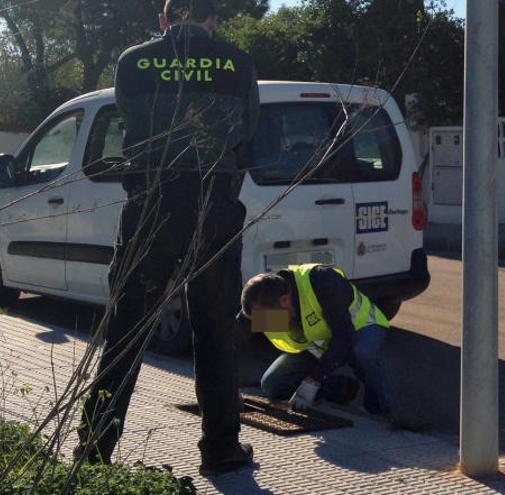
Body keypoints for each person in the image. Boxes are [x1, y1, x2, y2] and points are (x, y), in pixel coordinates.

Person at [76, 0, 259, 476]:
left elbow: (129, 124)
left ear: (164, 20)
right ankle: (221, 451)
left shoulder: (133, 61)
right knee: (216, 332)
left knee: (127, 330)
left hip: (150, 207)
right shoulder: (237, 62)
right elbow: (247, 139)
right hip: (212, 211)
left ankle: (94, 451)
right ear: (212, 21)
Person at [239, 264, 391, 416]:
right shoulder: (262, 301)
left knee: (363, 353)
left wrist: (313, 380)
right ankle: (341, 388)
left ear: (285, 300)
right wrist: (227, 386)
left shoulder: (321, 280)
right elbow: (233, 337)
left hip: (360, 328)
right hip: (319, 343)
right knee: (272, 384)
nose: (265, 324)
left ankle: (377, 409)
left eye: (268, 319)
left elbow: (344, 338)